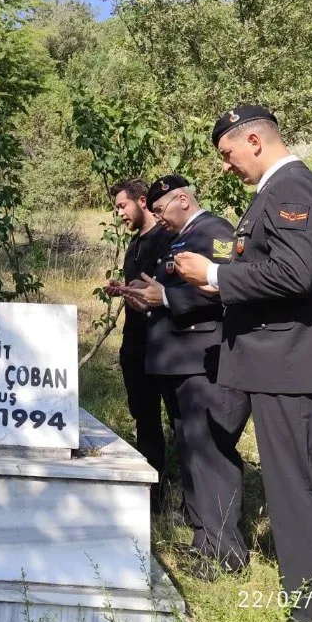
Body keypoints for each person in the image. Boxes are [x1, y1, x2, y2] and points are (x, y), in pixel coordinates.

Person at [175, 105, 312, 622]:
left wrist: (214, 271)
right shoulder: (280, 192)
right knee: (305, 496)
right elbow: (277, 271)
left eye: (228, 154)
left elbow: (295, 274)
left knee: (299, 502)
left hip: (296, 372)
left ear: (254, 140)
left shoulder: (292, 189)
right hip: (288, 369)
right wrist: (220, 281)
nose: (227, 167)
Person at [122, 175, 251, 578]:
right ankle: (203, 538)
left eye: (161, 211)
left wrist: (167, 297)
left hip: (203, 364)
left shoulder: (214, 231)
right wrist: (149, 299)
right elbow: (173, 294)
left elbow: (226, 287)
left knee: (211, 456)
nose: (159, 219)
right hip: (178, 362)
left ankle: (226, 553)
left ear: (182, 200)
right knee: (192, 453)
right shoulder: (179, 238)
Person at [102, 178, 176, 514]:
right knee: (144, 420)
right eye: (116, 208)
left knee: (179, 422)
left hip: (168, 347)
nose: (119, 214)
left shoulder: (170, 237)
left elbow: (173, 292)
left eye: (122, 206)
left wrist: (148, 298)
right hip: (136, 347)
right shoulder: (134, 246)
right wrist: (124, 291)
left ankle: (191, 497)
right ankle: (152, 495)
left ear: (142, 201)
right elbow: (139, 290)